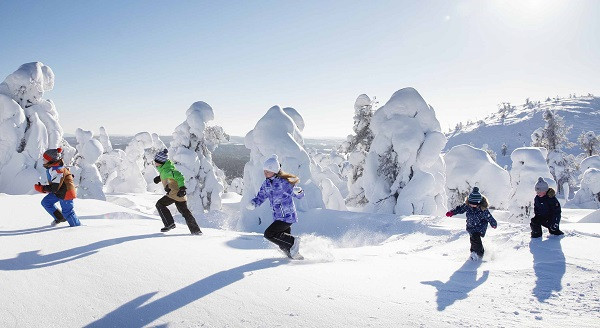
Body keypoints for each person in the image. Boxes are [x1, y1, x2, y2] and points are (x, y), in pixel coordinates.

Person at [247, 155, 304, 259]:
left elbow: (298, 195)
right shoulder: (266, 184)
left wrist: (298, 191)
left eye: (268, 171)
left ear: (274, 170)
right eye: (265, 170)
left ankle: (294, 241)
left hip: (287, 216)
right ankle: (295, 257)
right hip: (278, 217)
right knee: (283, 245)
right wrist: (254, 203)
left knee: (269, 234)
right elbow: (261, 196)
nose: (265, 173)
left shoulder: (283, 183)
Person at [153, 149, 202, 235]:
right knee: (185, 212)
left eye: (156, 161)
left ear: (160, 162)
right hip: (179, 194)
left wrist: (182, 188)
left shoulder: (166, 170)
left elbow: (179, 176)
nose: (155, 163)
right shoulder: (165, 168)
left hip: (175, 193)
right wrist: (159, 178)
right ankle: (196, 230)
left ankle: (169, 224)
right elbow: (167, 176)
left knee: (160, 204)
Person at [446, 187, 497, 261]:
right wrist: (452, 212)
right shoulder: (467, 206)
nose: (472, 205)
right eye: (471, 204)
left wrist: (493, 223)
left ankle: (479, 255)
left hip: (480, 227)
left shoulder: (483, 209)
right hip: (471, 226)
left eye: (474, 204)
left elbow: (489, 217)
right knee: (473, 241)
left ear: (479, 203)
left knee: (475, 239)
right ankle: (473, 253)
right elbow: (460, 209)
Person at [34, 148, 81, 227]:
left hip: (66, 193)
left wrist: (42, 188)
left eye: (45, 159)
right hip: (59, 192)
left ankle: (77, 228)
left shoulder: (57, 170)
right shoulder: (53, 167)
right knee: (46, 202)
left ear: (51, 160)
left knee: (68, 213)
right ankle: (60, 218)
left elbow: (54, 187)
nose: (43, 160)